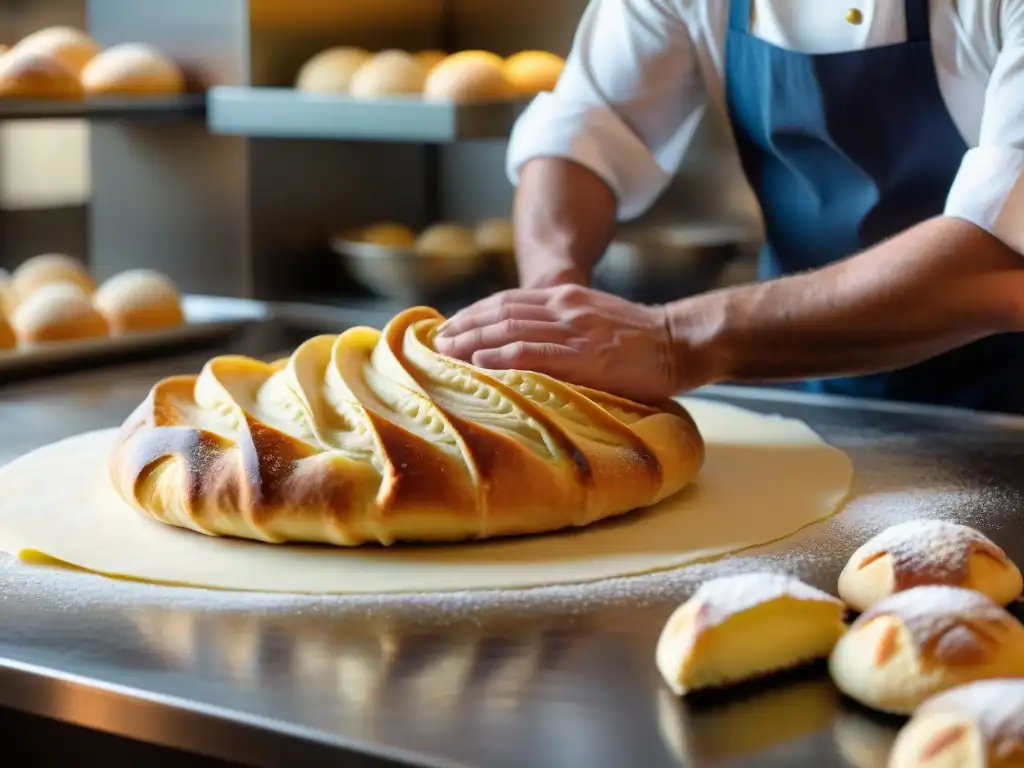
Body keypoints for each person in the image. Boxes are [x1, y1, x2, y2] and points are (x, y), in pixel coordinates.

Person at [434, 0, 1024, 413]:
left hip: (1006, 410)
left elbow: (998, 254)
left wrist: (675, 339)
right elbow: (587, 129)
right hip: (803, 386)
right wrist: (551, 301)